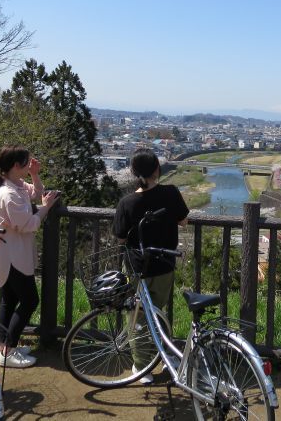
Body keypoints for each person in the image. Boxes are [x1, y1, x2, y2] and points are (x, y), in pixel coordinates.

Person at [114, 147, 188, 384]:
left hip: (137, 267)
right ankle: (164, 355)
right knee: (159, 313)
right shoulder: (171, 193)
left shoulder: (127, 202)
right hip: (164, 264)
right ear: (158, 168)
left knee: (137, 317)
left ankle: (141, 366)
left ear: (134, 172)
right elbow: (183, 220)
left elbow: (120, 238)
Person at [0, 145, 61, 369]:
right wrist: (45, 208)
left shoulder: (15, 185)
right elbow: (28, 224)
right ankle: (9, 349)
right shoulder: (9, 194)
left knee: (8, 301)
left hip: (7, 252)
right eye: (27, 163)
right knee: (29, 300)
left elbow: (35, 193)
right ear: (16, 166)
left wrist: (35, 174)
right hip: (11, 255)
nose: (30, 165)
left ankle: (2, 348)